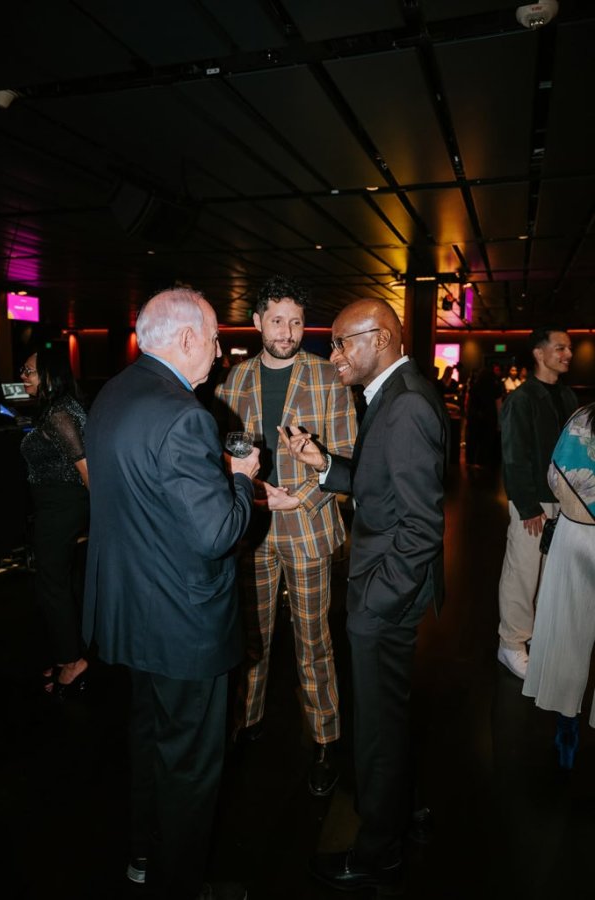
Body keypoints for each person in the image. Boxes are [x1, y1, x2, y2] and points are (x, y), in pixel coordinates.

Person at [82, 288, 260, 900]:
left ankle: (142, 856)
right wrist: (239, 480)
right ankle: (179, 885)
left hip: (128, 612)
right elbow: (216, 533)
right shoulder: (186, 414)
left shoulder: (112, 393)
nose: (219, 351)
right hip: (182, 624)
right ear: (186, 339)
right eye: (214, 339)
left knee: (147, 742)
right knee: (189, 765)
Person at [279, 298, 448, 892]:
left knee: (378, 727)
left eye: (343, 343)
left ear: (379, 339)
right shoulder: (397, 393)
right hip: (386, 592)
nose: (335, 355)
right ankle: (406, 810)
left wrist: (375, 603)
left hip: (384, 598)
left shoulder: (403, 407)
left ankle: (379, 850)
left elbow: (421, 528)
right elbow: (382, 486)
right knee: (391, 718)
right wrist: (325, 465)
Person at [214, 275, 357, 797]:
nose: (288, 330)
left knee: (313, 638)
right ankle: (245, 722)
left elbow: (347, 455)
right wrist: (249, 495)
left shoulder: (326, 377)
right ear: (256, 323)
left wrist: (303, 496)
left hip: (306, 523)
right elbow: (223, 454)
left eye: (296, 321)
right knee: (250, 635)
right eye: (277, 320)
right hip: (250, 526)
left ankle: (324, 736)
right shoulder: (232, 382)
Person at [497, 327, 577, 679]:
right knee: (522, 574)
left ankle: (539, 640)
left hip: (566, 503)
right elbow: (513, 456)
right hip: (533, 503)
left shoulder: (568, 397)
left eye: (569, 348)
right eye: (560, 347)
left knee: (550, 577)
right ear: (539, 354)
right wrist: (528, 505)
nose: (568, 354)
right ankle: (511, 644)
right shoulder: (522, 399)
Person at [523, 402, 595, 769]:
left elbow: (556, 478)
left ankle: (567, 729)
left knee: (569, 634)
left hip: (576, 536)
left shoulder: (581, 418)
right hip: (579, 535)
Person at [19, 346, 90, 697]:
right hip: (56, 506)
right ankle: (67, 655)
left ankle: (73, 662)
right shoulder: (57, 409)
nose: (23, 377)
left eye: (29, 371)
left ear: (49, 375)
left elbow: (88, 471)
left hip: (61, 508)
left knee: (52, 585)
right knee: (59, 581)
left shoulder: (59, 414)